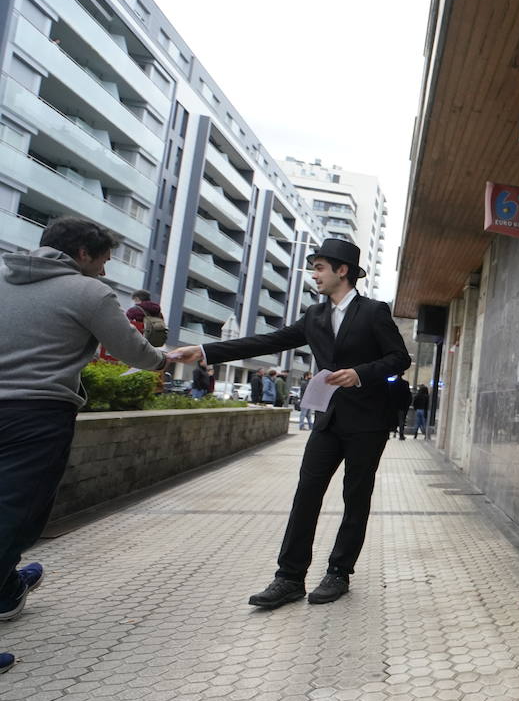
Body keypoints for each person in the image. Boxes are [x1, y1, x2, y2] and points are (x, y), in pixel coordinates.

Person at [167, 238, 409, 608]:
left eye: (319, 268)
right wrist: (205, 351)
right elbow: (268, 341)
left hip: (368, 422)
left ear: (342, 271)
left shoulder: (375, 311)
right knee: (306, 494)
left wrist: (360, 373)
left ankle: (339, 572)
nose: (314, 275)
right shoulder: (314, 316)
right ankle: (290, 577)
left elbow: (399, 358)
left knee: (355, 497)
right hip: (328, 420)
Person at [0, 217, 170, 673]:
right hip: (37, 414)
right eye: (103, 260)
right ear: (82, 254)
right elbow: (134, 351)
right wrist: (163, 360)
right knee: (19, 513)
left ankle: (6, 587)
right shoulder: (89, 293)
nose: (105, 270)